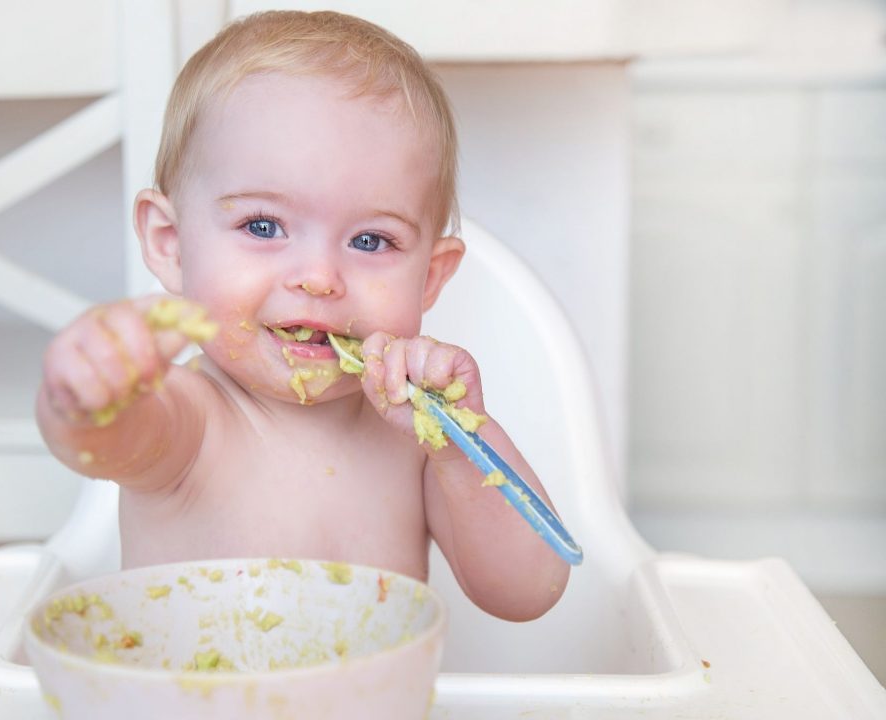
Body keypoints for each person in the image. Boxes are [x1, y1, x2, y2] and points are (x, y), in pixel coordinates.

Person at [37, 10, 569, 621]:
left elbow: (530, 591)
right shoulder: (191, 417)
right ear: (170, 243)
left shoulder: (415, 440)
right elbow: (105, 443)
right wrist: (87, 395)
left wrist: (461, 440)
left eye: (371, 241)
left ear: (428, 276)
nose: (318, 277)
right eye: (263, 227)